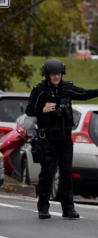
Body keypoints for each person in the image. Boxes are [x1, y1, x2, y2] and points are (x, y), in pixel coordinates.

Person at [25, 58, 98, 220]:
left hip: (65, 138)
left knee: (66, 174)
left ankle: (68, 209)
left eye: (58, 74)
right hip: (47, 139)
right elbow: (30, 110)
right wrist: (42, 109)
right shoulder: (40, 90)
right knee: (47, 173)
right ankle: (43, 208)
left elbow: (85, 94)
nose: (56, 77)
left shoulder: (67, 88)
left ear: (62, 74)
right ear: (47, 75)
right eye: (53, 74)